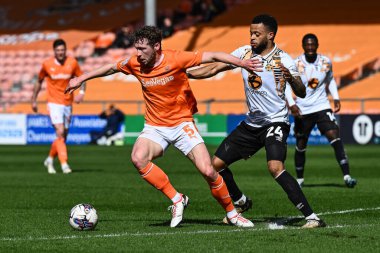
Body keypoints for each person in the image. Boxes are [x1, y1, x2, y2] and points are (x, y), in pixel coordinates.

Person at [65, 25, 263, 228]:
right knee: (138, 158)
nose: (138, 54)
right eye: (136, 49)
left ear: (157, 46)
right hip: (155, 126)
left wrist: (242, 63)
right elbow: (110, 68)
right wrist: (80, 79)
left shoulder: (176, 58)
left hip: (182, 124)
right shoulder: (135, 63)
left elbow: (212, 55)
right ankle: (177, 199)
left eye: (143, 49)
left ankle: (232, 214)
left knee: (209, 171)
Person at [187, 14, 326, 228]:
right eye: (251, 33)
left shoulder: (284, 59)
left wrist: (290, 77)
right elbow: (215, 67)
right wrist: (186, 73)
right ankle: (241, 202)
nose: (252, 37)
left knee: (274, 166)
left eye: (257, 34)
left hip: (275, 122)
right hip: (251, 124)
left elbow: (302, 92)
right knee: (215, 165)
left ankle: (312, 217)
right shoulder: (244, 53)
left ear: (270, 35)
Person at [285, 33, 357, 188]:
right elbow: (286, 85)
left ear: (317, 45)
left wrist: (336, 98)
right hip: (303, 110)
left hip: (322, 106)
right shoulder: (295, 64)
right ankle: (300, 180)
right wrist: (291, 104)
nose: (310, 47)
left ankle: (347, 176)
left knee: (335, 136)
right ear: (303, 46)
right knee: (301, 144)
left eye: (313, 44)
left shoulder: (325, 62)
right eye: (307, 45)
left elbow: (330, 79)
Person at [31, 39, 86, 174]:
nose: (60, 53)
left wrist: (81, 93)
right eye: (58, 50)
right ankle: (64, 164)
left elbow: (82, 78)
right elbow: (39, 81)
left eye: (62, 50)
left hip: (68, 102)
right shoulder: (47, 64)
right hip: (53, 102)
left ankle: (49, 159)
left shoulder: (72, 63)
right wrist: (34, 100)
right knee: (60, 132)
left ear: (65, 51)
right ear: (54, 51)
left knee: (63, 137)